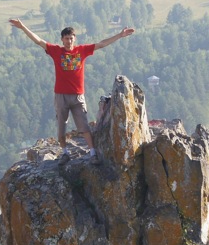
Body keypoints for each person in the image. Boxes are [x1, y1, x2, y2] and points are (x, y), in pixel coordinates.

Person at [9, 18, 135, 162]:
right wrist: (23, 27)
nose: (69, 41)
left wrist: (120, 35)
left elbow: (101, 44)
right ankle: (64, 152)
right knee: (61, 127)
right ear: (62, 39)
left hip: (77, 96)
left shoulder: (82, 51)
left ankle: (93, 153)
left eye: (71, 38)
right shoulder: (56, 51)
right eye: (66, 38)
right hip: (61, 96)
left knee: (84, 125)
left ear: (75, 39)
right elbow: (38, 41)